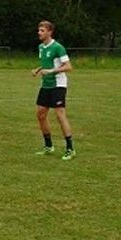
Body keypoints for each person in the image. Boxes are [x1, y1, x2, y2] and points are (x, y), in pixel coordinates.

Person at [32, 20, 75, 160]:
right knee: (40, 114)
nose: (39, 32)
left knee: (60, 115)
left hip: (58, 85)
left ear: (50, 32)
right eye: (39, 30)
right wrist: (38, 69)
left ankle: (70, 148)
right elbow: (45, 62)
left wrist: (51, 71)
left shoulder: (58, 47)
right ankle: (49, 146)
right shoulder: (41, 47)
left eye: (42, 30)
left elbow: (68, 66)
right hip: (46, 85)